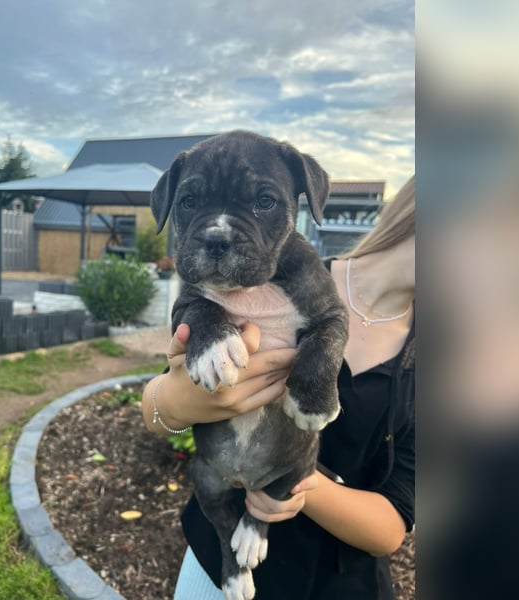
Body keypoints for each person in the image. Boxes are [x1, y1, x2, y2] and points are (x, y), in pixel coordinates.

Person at [142, 175, 415, 599]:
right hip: (215, 559)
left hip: (339, 584)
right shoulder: (274, 275)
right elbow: (158, 407)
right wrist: (174, 404)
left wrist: (297, 487)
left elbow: (393, 524)